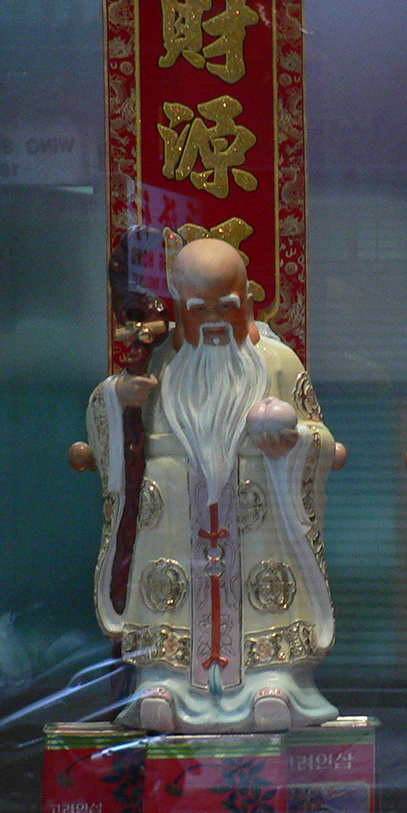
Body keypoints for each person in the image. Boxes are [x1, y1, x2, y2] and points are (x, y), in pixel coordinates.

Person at [87, 237, 340, 733]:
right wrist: (120, 399)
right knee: (166, 591)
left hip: (259, 521)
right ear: (180, 309)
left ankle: (275, 677)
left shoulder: (278, 363)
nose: (216, 321)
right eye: (199, 309)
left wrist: (291, 445)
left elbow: (321, 437)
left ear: (248, 302)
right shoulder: (157, 365)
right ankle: (163, 679)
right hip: (176, 527)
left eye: (228, 306)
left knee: (266, 590)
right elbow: (104, 430)